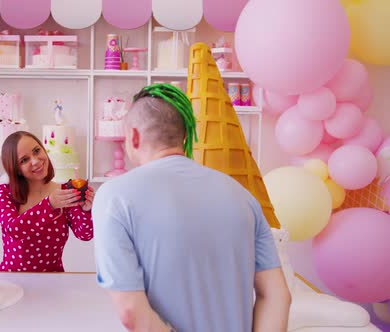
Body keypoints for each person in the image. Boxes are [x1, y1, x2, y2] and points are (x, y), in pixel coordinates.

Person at [92, 84, 291, 331]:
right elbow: (277, 295)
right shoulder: (242, 196)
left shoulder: (114, 196)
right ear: (185, 136)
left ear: (133, 136)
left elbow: (131, 311)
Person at [0, 131, 94, 272]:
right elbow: (14, 230)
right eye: (24, 160)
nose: (35, 161)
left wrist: (86, 210)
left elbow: (85, 234)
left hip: (54, 281)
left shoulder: (64, 191)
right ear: (16, 169)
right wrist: (50, 204)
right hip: (13, 280)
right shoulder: (4, 193)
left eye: (36, 151)